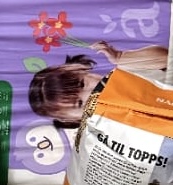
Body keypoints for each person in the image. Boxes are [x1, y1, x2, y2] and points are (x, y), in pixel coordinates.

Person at [28, 42, 169, 127]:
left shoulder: (125, 73)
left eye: (82, 84)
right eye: (79, 103)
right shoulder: (95, 135)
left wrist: (122, 57)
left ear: (81, 69)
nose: (90, 93)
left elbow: (166, 59)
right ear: (71, 120)